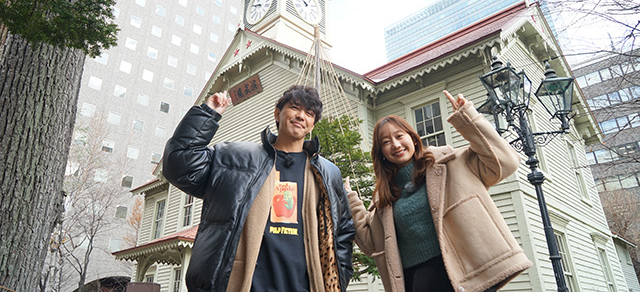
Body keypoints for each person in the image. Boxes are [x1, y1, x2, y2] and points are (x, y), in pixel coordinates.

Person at [163, 85, 355, 292]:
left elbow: (343, 231)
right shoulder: (235, 157)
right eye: (295, 108)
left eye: (309, 113)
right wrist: (207, 114)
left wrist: (338, 277)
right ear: (277, 113)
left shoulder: (327, 173)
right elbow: (180, 167)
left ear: (312, 125)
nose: (301, 116)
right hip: (241, 285)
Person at [345, 90, 532, 292]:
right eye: (386, 142)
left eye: (399, 136)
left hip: (466, 277)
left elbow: (506, 163)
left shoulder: (451, 162)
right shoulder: (385, 198)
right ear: (381, 153)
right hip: (417, 281)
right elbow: (368, 242)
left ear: (413, 138)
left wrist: (468, 118)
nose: (396, 145)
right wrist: (349, 200)